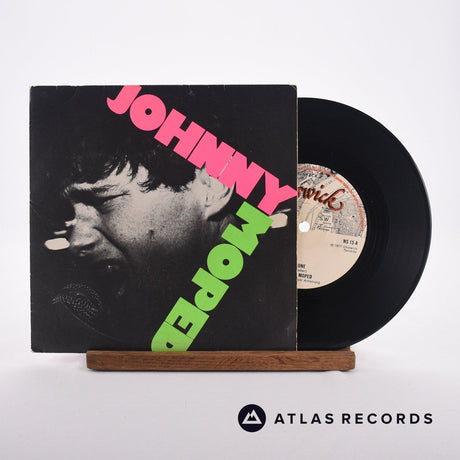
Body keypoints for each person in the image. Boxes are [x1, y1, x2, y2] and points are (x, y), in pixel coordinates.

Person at [30, 86, 296, 351]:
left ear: (213, 187)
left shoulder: (277, 312)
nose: (77, 241)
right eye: (72, 213)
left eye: (104, 201)